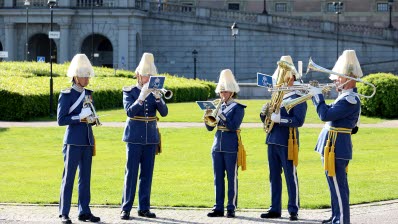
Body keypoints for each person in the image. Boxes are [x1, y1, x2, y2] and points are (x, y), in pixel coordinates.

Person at [309, 50, 362, 224]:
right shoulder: (343, 97)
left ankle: (342, 220)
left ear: (349, 78)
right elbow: (327, 111)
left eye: (339, 77)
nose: (336, 80)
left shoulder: (350, 99)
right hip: (331, 145)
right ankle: (335, 217)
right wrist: (315, 96)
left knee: (339, 187)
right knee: (333, 185)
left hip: (337, 148)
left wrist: (317, 96)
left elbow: (324, 115)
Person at [120, 52, 168, 220]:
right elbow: (130, 112)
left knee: (147, 175)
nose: (147, 79)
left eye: (150, 76)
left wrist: (157, 98)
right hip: (134, 137)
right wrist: (142, 96)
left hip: (150, 138)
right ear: (138, 75)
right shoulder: (130, 91)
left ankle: (144, 208)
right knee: (131, 174)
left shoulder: (155, 91)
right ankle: (125, 208)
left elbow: (165, 112)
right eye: (145, 76)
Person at [259, 55, 307, 221]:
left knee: (290, 175)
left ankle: (293, 209)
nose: (283, 79)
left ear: (292, 77)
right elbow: (267, 121)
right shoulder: (276, 96)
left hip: (288, 141)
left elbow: (299, 121)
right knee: (273, 176)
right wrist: (264, 114)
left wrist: (281, 119)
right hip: (272, 140)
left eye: (286, 76)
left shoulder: (299, 97)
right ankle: (275, 208)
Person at [57, 54, 101, 224]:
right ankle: (64, 212)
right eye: (84, 76)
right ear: (76, 77)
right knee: (68, 178)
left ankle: (84, 211)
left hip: (87, 140)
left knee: (85, 178)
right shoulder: (67, 94)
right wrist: (79, 118)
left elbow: (89, 114)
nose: (87, 79)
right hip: (73, 141)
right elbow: (61, 120)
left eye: (88, 75)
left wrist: (93, 119)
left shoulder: (88, 93)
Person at [205, 69, 246, 218]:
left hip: (230, 145)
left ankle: (231, 207)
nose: (222, 95)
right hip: (217, 145)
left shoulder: (238, 108)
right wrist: (207, 117)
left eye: (225, 92)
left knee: (231, 177)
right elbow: (210, 128)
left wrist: (221, 114)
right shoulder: (218, 105)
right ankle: (218, 207)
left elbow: (233, 126)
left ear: (232, 92)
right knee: (218, 177)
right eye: (221, 92)